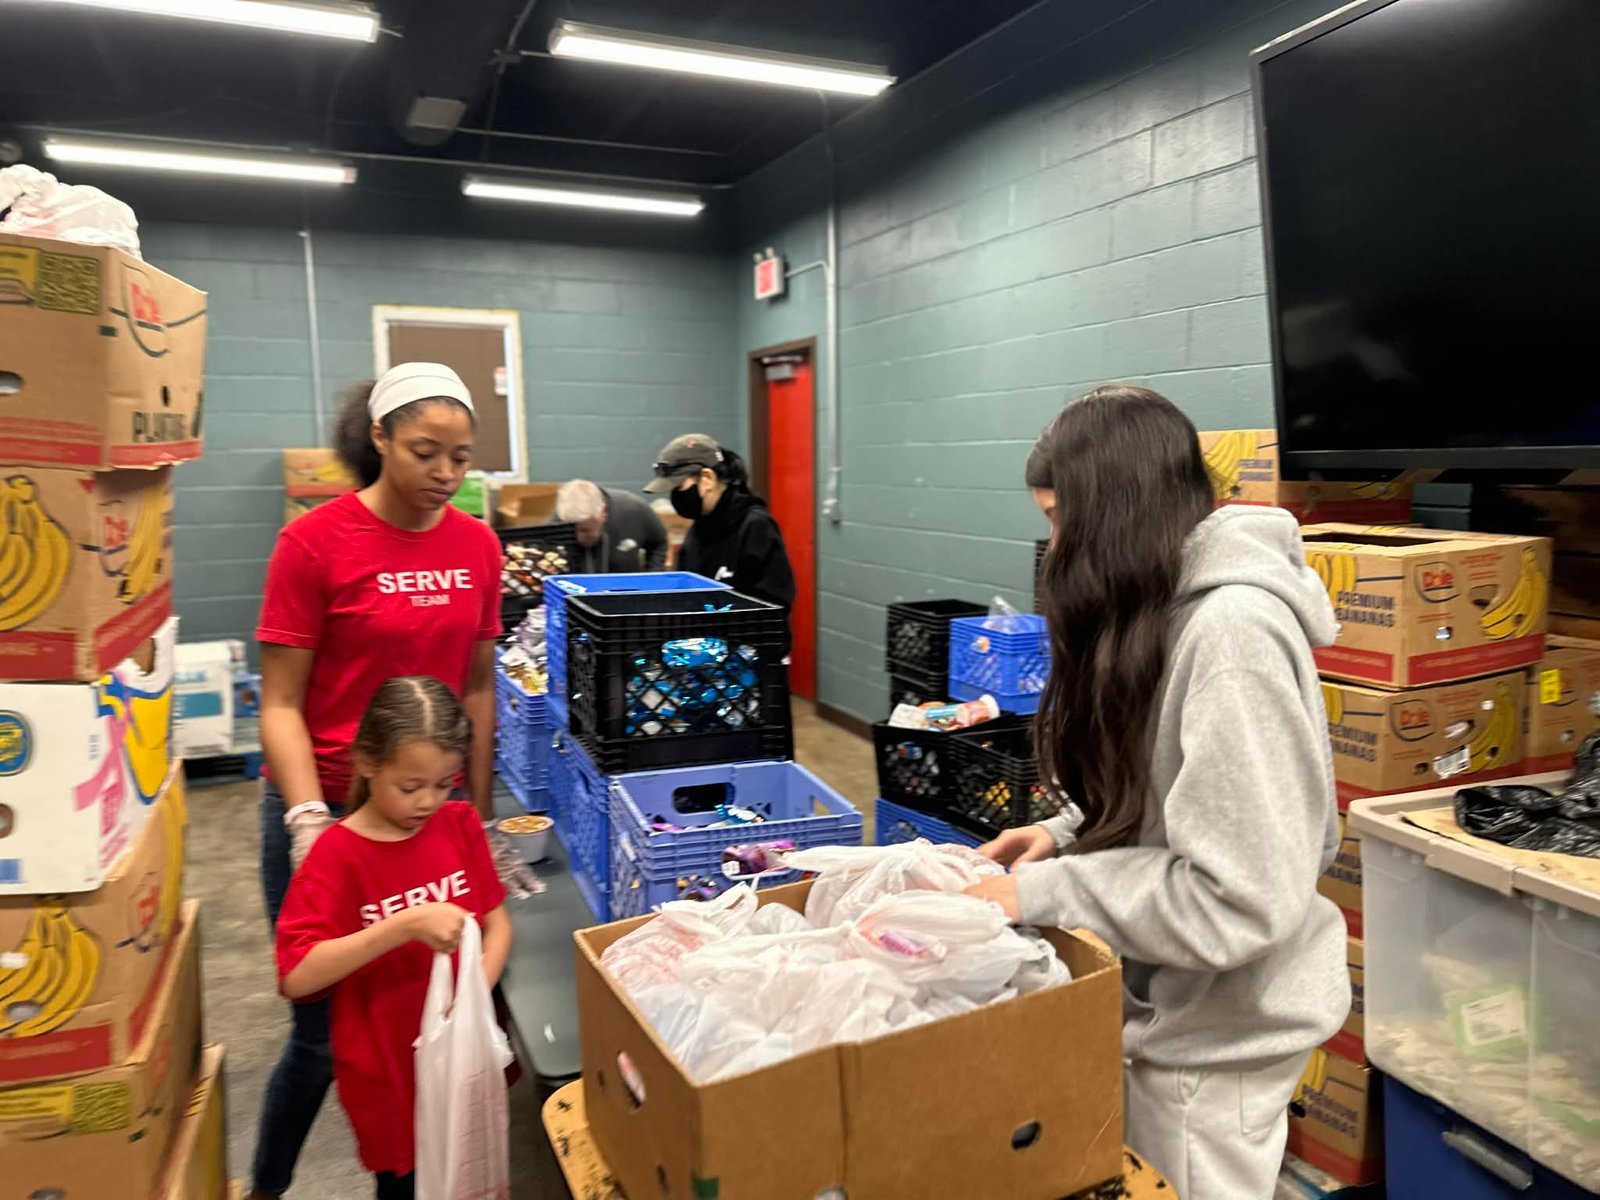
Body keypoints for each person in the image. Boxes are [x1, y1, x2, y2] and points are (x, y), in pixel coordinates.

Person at [967, 385, 1349, 1200]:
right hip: (1174, 1008)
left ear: (1116, 513)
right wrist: (1066, 834)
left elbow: (1238, 896)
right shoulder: (1169, 607)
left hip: (1216, 1043)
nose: (1054, 547)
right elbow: (1181, 787)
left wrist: (1040, 893)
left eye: (1060, 520)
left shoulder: (1232, 635)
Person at [250, 361, 527, 1200]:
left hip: (429, 805)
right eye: (424, 453)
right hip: (330, 808)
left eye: (461, 457)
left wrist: (477, 814)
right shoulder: (314, 543)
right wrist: (308, 818)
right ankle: (265, 1185)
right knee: (321, 1036)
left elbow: (476, 689)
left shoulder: (477, 545)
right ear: (379, 438)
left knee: (417, 1016)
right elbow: (281, 701)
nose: (446, 474)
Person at [276, 676, 512, 1200]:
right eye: (410, 787)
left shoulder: (459, 824)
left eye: (444, 783)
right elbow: (297, 976)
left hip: (462, 1059)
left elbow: (497, 925)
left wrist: (469, 998)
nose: (427, 801)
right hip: (390, 1078)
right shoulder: (337, 856)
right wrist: (403, 926)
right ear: (367, 762)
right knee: (406, 1184)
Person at [643, 433, 795, 608]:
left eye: (679, 486)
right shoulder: (698, 530)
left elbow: (774, 601)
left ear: (707, 478)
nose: (676, 495)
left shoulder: (755, 526)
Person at [552, 478, 668, 573]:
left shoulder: (633, 509)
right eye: (571, 531)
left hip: (626, 589)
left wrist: (652, 578)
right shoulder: (554, 526)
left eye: (585, 530)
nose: (578, 537)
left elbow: (659, 542)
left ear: (603, 514)